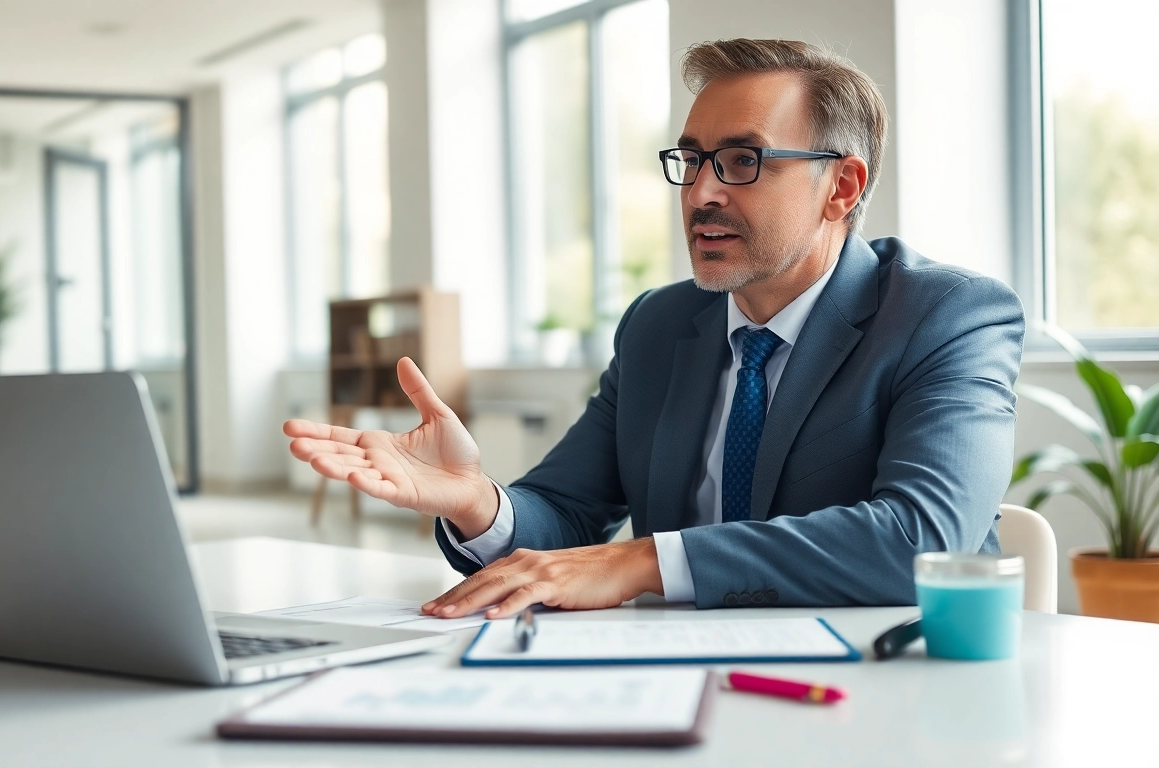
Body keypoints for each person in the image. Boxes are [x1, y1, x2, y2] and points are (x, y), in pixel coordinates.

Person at [284, 38, 1024, 621]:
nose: (701, 192)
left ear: (842, 187)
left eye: (742, 161)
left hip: (880, 695)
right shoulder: (659, 325)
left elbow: (921, 539)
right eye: (692, 159)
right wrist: (474, 500)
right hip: (673, 675)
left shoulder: (946, 315)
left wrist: (644, 561)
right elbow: (570, 515)